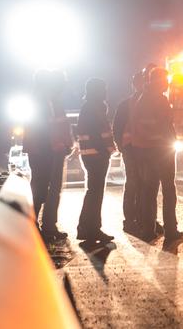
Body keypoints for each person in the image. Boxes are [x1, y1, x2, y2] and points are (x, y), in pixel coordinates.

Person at [132, 67, 183, 248]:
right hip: (160, 152)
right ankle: (170, 230)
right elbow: (164, 125)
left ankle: (148, 229)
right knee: (168, 190)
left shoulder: (142, 98)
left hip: (147, 152)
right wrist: (168, 142)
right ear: (157, 80)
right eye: (165, 79)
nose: (167, 83)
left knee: (149, 191)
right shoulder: (158, 99)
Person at [23, 69, 72, 242]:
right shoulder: (45, 101)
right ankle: (42, 227)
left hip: (45, 150)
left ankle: (41, 226)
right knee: (46, 189)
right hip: (48, 151)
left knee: (42, 188)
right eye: (62, 83)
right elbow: (48, 128)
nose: (63, 86)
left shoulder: (41, 99)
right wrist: (61, 146)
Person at [76, 78, 115, 243]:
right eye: (103, 89)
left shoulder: (91, 107)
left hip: (93, 154)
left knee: (94, 191)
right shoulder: (93, 108)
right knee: (95, 192)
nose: (106, 92)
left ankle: (88, 228)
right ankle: (90, 229)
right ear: (97, 91)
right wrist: (104, 150)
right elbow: (94, 132)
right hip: (96, 155)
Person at [112, 72, 144, 235]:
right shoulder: (127, 105)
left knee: (144, 185)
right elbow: (117, 128)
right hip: (132, 149)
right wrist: (123, 147)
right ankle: (130, 220)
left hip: (143, 149)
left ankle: (144, 219)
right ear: (135, 85)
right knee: (133, 183)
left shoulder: (147, 103)